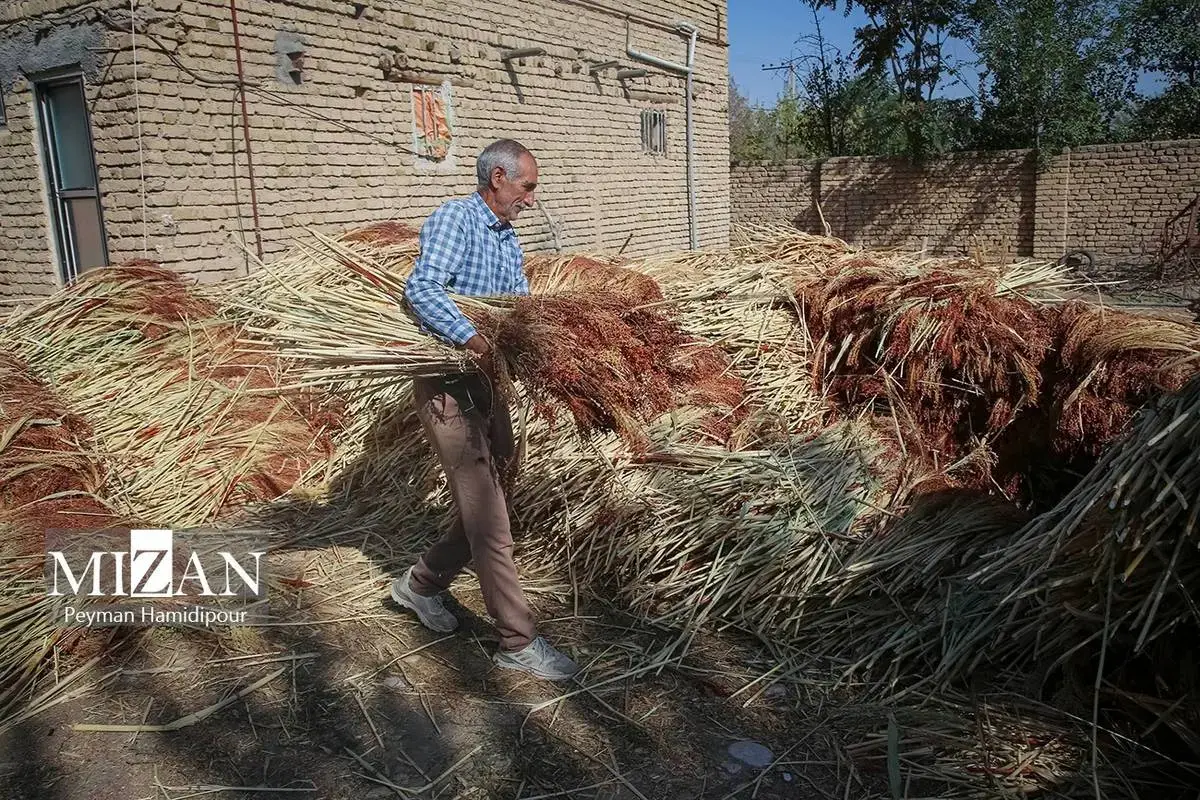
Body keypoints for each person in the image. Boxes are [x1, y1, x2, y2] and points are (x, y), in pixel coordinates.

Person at [390, 139, 580, 681]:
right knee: (490, 515)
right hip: (448, 385)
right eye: (527, 187)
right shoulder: (457, 219)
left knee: (494, 494)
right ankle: (517, 640)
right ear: (498, 177)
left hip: (487, 382)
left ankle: (420, 585)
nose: (531, 198)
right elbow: (422, 289)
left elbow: (515, 306)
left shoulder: (506, 237)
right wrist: (473, 339)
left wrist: (541, 341)